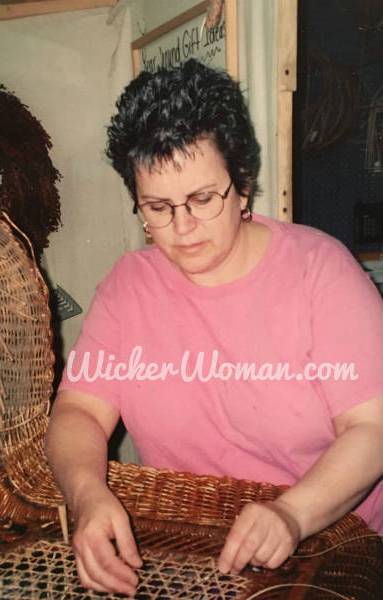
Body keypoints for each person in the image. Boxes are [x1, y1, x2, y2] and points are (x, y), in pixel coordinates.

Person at [45, 59, 383, 597]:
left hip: (336, 542)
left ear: (243, 185)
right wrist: (87, 494)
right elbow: (79, 410)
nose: (182, 228)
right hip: (193, 546)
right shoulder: (128, 286)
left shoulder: (322, 272)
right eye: (157, 207)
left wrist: (292, 515)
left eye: (203, 199)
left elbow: (373, 429)